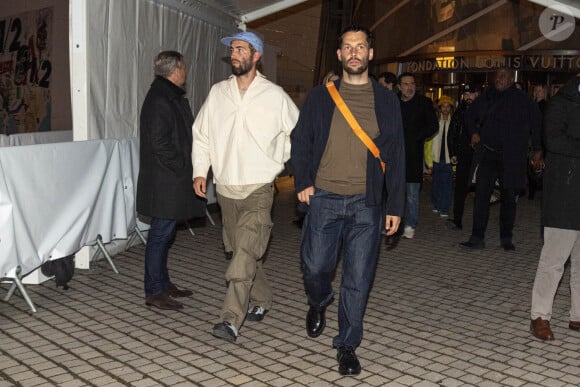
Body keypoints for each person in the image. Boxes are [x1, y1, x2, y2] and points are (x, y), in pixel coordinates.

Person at [291, 25, 405, 376]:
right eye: (347, 47)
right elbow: (301, 140)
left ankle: (347, 345)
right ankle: (319, 300)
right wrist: (304, 181)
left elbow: (397, 153)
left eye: (361, 47)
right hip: (323, 197)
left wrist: (396, 206)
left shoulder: (386, 100)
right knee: (315, 267)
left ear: (371, 54)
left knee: (358, 278)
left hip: (366, 204)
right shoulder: (320, 97)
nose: (354, 52)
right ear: (339, 55)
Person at [192, 31, 299, 342]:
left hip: (259, 188)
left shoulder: (275, 95)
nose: (235, 53)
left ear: (256, 56)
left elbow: (299, 134)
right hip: (225, 188)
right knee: (242, 251)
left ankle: (230, 319)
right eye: (233, 49)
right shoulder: (218, 93)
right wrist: (201, 170)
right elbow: (202, 135)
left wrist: (280, 160)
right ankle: (263, 299)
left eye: (241, 49)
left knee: (243, 254)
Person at [137, 51, 206, 310]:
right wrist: (183, 166)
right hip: (165, 182)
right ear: (177, 69)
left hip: (168, 181)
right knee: (160, 235)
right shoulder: (160, 99)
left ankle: (163, 284)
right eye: (184, 67)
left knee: (165, 236)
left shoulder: (166, 95)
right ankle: (154, 291)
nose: (185, 72)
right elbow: (159, 143)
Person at [460, 68, 542, 250]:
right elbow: (468, 116)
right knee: (481, 196)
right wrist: (473, 133)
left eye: (504, 77)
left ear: (511, 79)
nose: (500, 80)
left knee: (508, 197)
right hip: (488, 153)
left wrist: (537, 149)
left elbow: (537, 124)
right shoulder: (487, 97)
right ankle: (477, 237)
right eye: (497, 77)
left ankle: (506, 237)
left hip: (513, 157)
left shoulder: (523, 100)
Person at [529, 74, 580, 341]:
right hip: (565, 193)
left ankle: (577, 315)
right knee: (554, 260)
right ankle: (540, 316)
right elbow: (553, 140)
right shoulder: (561, 102)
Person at [397, 72, 439, 239]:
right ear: (399, 87)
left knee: (412, 192)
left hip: (414, 154)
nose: (410, 87)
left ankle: (410, 224)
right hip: (395, 154)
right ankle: (394, 223)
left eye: (412, 83)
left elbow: (433, 125)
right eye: (406, 84)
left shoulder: (423, 103)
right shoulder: (393, 102)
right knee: (395, 191)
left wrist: (417, 136)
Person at [446, 84, 481, 230]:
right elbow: (452, 133)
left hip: (479, 155)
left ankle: (479, 224)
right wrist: (453, 152)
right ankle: (457, 220)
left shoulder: (483, 110)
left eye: (471, 94)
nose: (468, 97)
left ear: (477, 94)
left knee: (481, 190)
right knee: (460, 188)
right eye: (466, 94)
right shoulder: (459, 112)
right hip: (463, 155)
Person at [430, 95, 454, 218]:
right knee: (436, 184)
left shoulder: (453, 122)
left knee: (446, 184)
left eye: (447, 106)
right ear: (439, 108)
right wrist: (429, 159)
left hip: (448, 158)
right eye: (443, 106)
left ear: (450, 108)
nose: (445, 109)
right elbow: (430, 142)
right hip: (436, 157)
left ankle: (444, 208)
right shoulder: (435, 122)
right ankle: (437, 204)